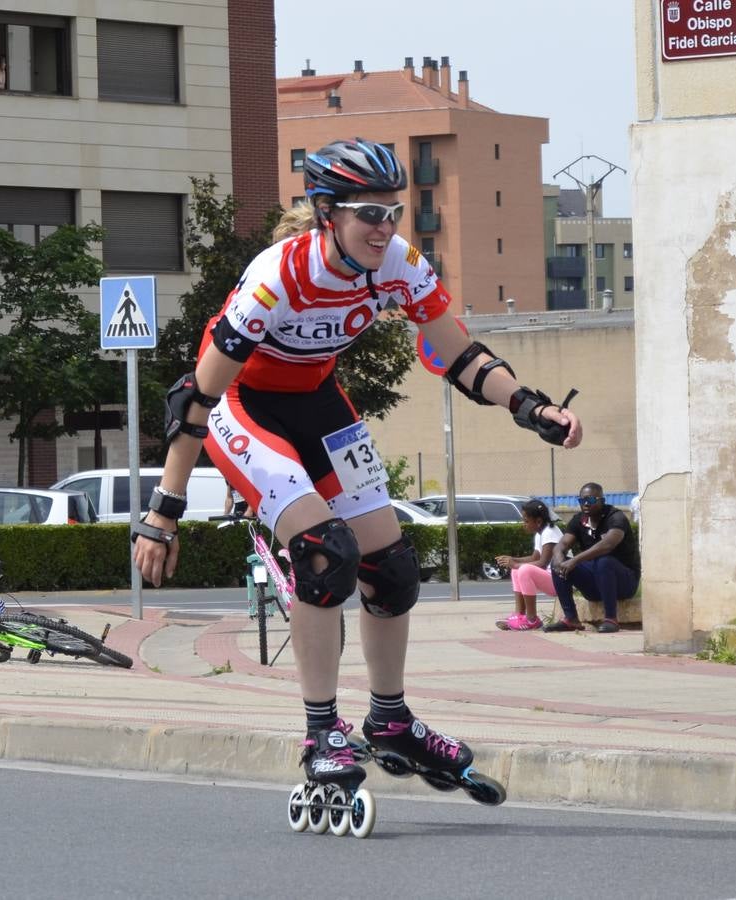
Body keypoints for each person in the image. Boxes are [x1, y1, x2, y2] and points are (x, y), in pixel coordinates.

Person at [132, 138, 582, 789]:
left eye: (393, 212)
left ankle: (390, 720)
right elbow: (195, 398)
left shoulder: (399, 263)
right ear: (327, 213)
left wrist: (531, 407)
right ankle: (321, 732)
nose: (384, 227)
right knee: (325, 553)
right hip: (244, 404)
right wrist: (162, 512)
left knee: (392, 569)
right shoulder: (279, 275)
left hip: (318, 401)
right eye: (369, 213)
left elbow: (460, 355)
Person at [544, 482, 640, 634]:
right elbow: (561, 545)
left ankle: (611, 619)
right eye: (582, 500)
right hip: (596, 584)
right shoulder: (579, 520)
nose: (586, 504)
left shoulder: (615, 517)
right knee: (558, 564)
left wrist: (575, 560)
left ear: (602, 500)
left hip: (624, 583)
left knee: (604, 561)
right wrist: (558, 558)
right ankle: (571, 619)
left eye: (591, 500)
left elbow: (607, 545)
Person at [493, 498, 562, 631]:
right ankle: (519, 616)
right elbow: (534, 557)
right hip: (551, 577)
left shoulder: (550, 532)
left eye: (526, 521)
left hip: (561, 581)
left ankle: (532, 619)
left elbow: (542, 563)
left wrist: (515, 564)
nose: (523, 524)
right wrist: (513, 560)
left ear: (538, 521)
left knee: (524, 570)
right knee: (516, 570)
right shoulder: (540, 533)